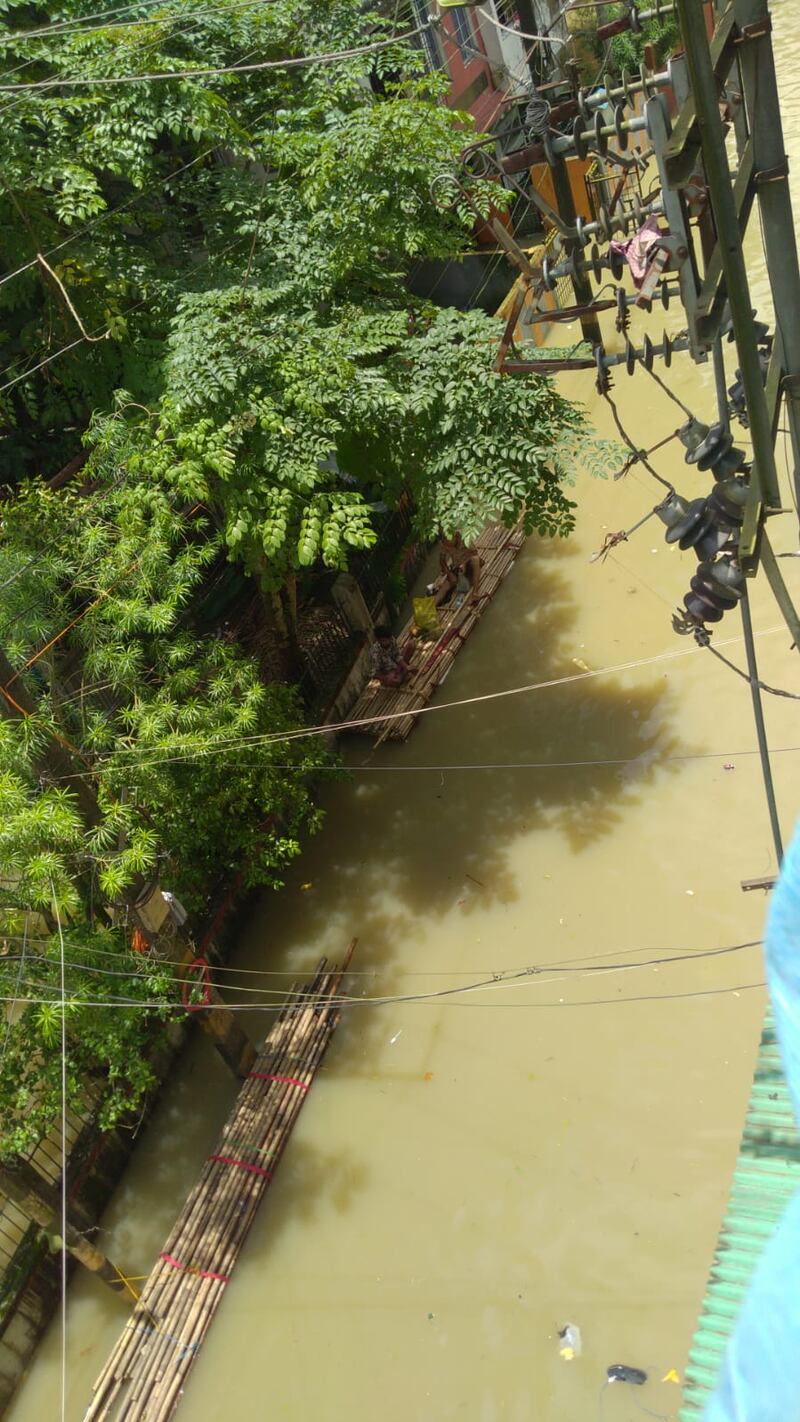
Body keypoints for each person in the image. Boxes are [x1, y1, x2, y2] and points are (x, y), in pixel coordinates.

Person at [436, 530, 482, 608]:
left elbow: (474, 552)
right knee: (447, 584)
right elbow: (442, 560)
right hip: (457, 567)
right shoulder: (443, 543)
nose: (448, 546)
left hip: (470, 562)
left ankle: (475, 593)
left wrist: (464, 564)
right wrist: (448, 573)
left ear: (455, 536)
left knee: (475, 559)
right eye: (446, 543)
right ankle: (431, 605)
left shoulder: (463, 536)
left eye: (449, 543)